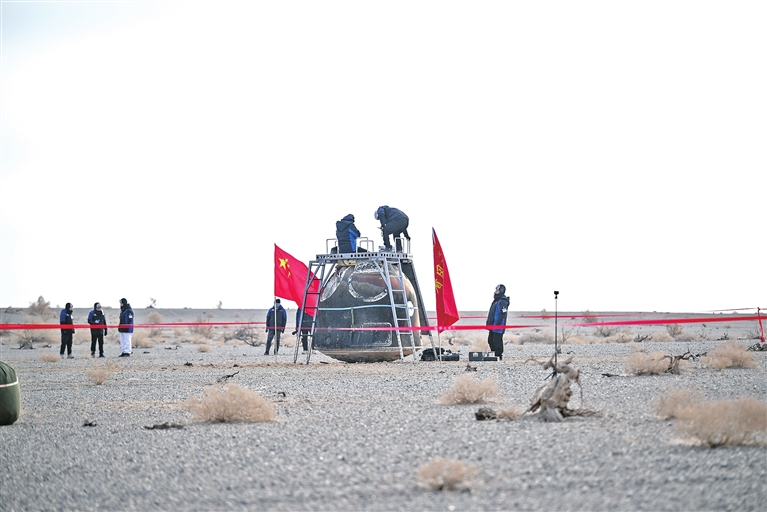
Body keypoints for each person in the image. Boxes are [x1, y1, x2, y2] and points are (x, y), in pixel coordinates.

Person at [486, 284, 510, 360]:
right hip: (493, 325)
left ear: (501, 291)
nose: (495, 291)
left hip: (498, 326)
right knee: (490, 340)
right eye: (495, 290)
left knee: (497, 341)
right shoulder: (496, 301)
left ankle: (499, 356)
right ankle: (494, 354)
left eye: (497, 290)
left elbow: (503, 314)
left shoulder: (503, 301)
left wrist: (498, 324)